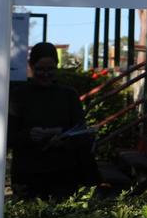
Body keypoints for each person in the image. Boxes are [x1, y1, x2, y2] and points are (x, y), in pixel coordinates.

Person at [8, 42, 95, 199]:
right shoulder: (18, 95)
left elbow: (81, 131)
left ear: (57, 66)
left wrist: (62, 136)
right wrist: (29, 135)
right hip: (28, 171)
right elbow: (7, 135)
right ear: (31, 66)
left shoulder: (69, 95)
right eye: (40, 69)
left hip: (63, 171)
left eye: (51, 69)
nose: (45, 74)